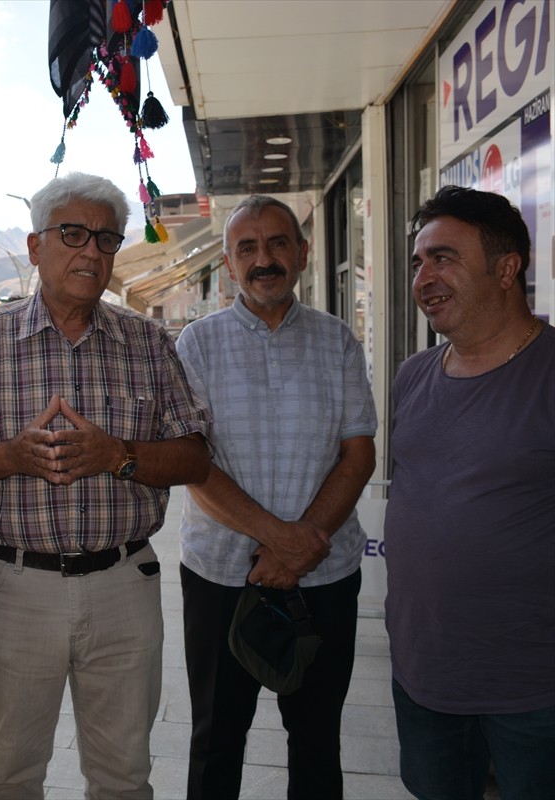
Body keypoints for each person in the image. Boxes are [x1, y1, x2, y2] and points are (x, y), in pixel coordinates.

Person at [0, 172, 212, 799]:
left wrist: (117, 455)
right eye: (73, 234)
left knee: (123, 778)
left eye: (106, 239)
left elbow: (194, 458)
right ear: (35, 246)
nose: (91, 252)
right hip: (15, 586)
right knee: (10, 776)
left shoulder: (148, 343)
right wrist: (12, 456)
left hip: (123, 585)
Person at [175, 194, 377, 799]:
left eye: (278, 243)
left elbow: (358, 454)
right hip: (220, 578)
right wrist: (282, 541)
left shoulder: (338, 341)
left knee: (317, 743)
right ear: (229, 265)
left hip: (326, 578)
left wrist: (299, 549)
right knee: (216, 742)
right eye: (247, 248)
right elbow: (193, 464)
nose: (264, 259)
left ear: (303, 254)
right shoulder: (196, 345)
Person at [385, 185, 554, 799]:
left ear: (506, 270)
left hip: (534, 691)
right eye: (418, 262)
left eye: (444, 258)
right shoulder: (413, 375)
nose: (423, 278)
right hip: (425, 677)